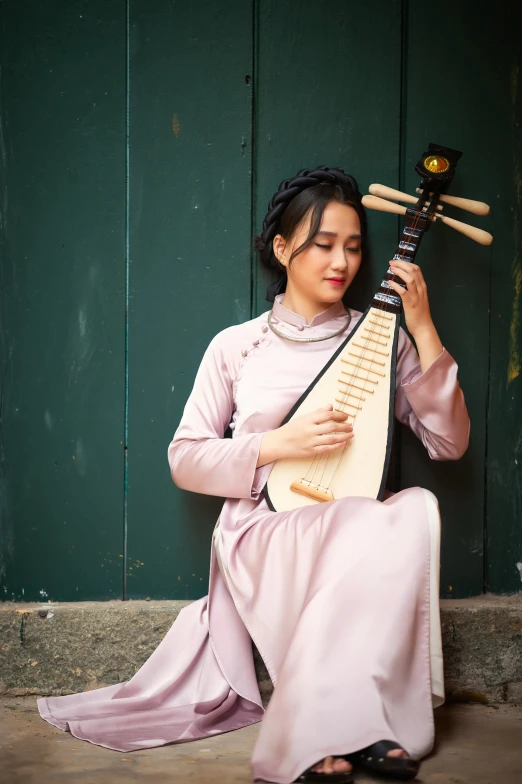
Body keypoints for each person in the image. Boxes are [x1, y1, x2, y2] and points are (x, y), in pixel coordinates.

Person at [37, 166, 470, 784]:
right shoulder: (237, 347)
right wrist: (276, 444)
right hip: (262, 532)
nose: (341, 260)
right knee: (366, 526)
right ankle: (341, 733)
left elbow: (448, 443)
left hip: (352, 528)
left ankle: (352, 731)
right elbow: (183, 457)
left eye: (353, 245)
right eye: (323, 244)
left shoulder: (384, 341)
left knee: (409, 510)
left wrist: (422, 328)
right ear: (283, 248)